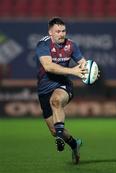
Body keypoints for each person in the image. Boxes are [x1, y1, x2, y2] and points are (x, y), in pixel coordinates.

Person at [34, 17, 87, 164]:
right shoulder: (43, 44)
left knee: (56, 101)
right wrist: (73, 71)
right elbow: (48, 66)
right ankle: (74, 144)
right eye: (58, 31)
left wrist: (90, 72)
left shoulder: (71, 46)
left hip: (63, 85)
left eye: (63, 31)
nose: (61, 34)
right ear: (50, 32)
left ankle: (59, 138)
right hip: (44, 89)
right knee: (54, 130)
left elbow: (83, 64)